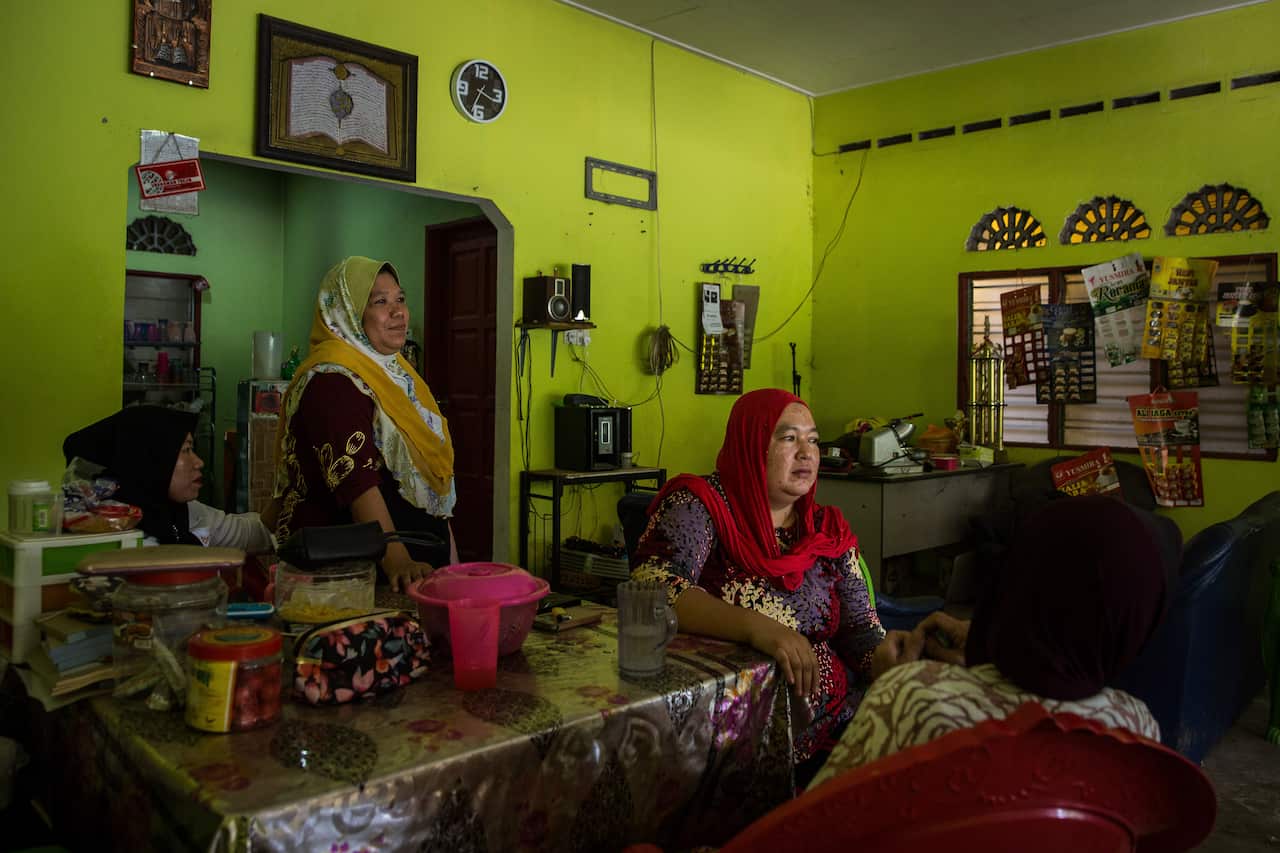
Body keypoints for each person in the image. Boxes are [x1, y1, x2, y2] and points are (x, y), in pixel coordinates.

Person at [631, 388, 924, 779]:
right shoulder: (701, 506)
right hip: (723, 737)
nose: (807, 452)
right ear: (751, 445)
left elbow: (860, 632)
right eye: (788, 438)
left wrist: (885, 660)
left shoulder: (826, 530)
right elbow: (652, 590)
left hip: (829, 728)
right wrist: (761, 629)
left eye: (814, 440)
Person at [808, 495, 1176, 789]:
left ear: (1014, 582)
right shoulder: (1137, 730)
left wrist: (887, 682)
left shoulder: (912, 698)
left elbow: (819, 823)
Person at [273, 256, 457, 592]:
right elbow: (356, 481)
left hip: (418, 571)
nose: (398, 312)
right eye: (380, 302)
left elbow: (434, 479)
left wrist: (452, 561)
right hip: (358, 577)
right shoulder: (332, 381)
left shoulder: (400, 376)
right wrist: (396, 559)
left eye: (400, 299)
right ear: (347, 312)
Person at [63, 405, 273, 551]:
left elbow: (252, 534)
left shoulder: (184, 512)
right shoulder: (103, 523)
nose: (199, 462)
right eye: (186, 450)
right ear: (151, 459)